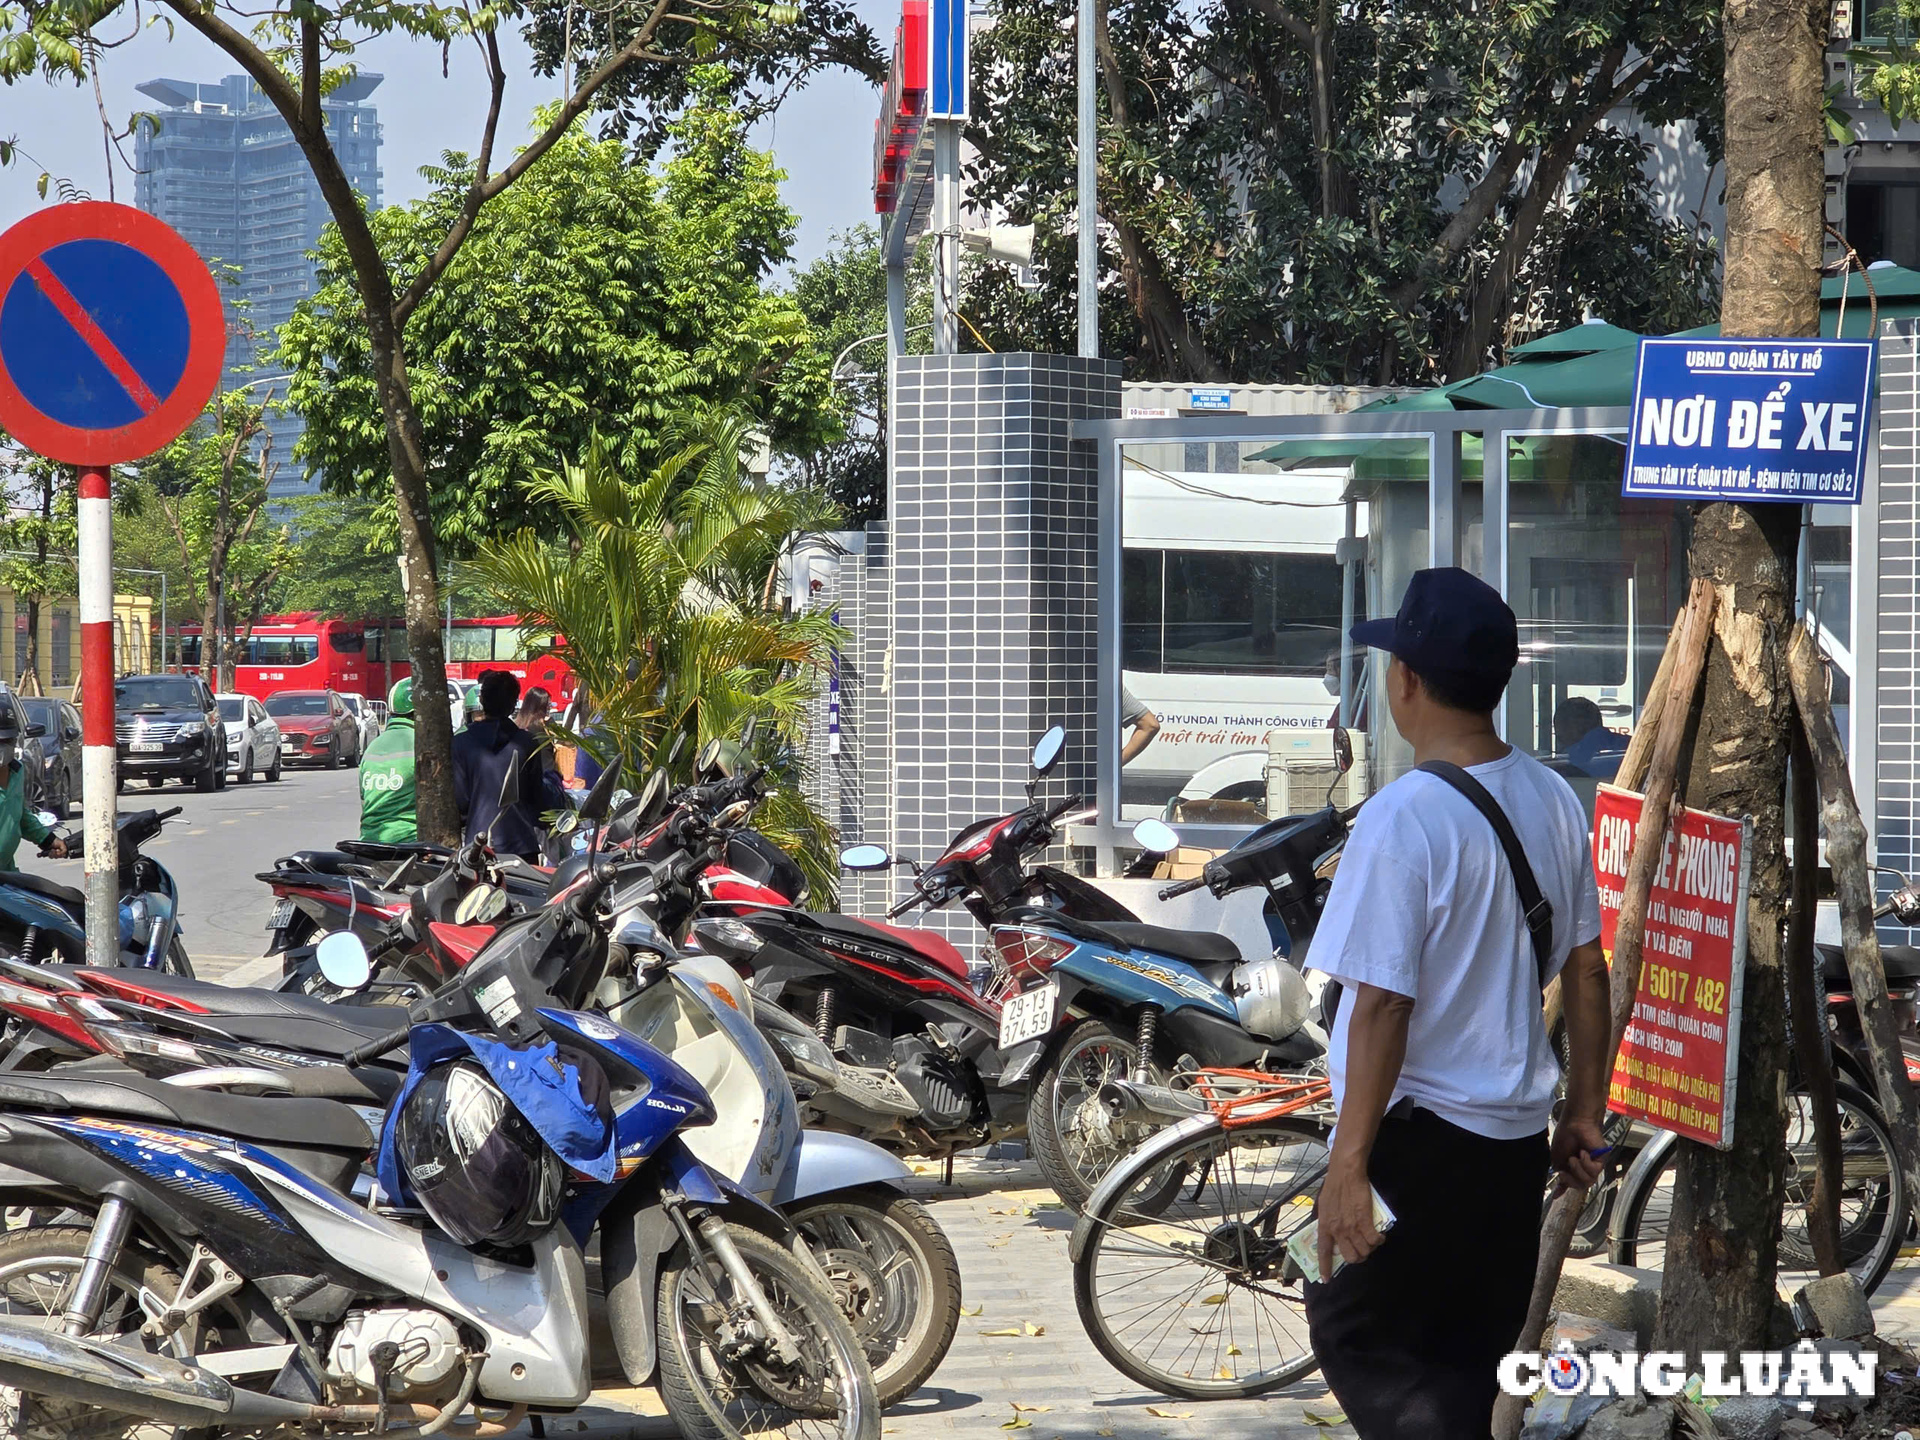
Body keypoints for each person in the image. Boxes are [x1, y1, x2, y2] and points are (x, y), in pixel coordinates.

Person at [1303, 567, 1610, 1440]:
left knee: (1359, 1333)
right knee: (1471, 1357)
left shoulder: (1403, 818)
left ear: (1405, 681)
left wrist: (1349, 1166)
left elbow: (1381, 1009)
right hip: (1513, 1148)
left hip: (1422, 1145)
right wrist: (1584, 1110)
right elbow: (1588, 972)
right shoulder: (1553, 795)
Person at [452, 670, 566, 863]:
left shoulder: (460, 743)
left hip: (477, 847)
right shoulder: (528, 742)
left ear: (483, 701)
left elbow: (461, 802)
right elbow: (537, 799)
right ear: (513, 704)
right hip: (522, 846)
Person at [0, 704, 62, 869]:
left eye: (7, 741)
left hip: (7, 873)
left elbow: (18, 816)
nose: (2, 747)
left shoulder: (16, 772)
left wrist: (48, 840)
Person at [358, 678, 419, 843]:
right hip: (408, 842)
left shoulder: (373, 746)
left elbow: (365, 800)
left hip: (369, 840)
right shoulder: (421, 745)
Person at [1554, 696, 1628, 780]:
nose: (1561, 744)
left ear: (1579, 727)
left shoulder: (1574, 762)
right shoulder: (1629, 744)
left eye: (1560, 736)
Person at [1120, 683, 1160, 764]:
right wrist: (1112, 766)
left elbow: (1150, 725)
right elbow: (1150, 725)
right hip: (1097, 770)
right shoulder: (1110, 685)